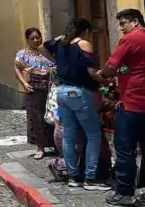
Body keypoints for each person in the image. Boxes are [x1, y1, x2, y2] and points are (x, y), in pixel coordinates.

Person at [43, 18, 106, 190]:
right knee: (93, 134)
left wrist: (57, 60)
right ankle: (90, 178)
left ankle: (73, 176)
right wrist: (105, 79)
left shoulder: (62, 43)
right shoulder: (83, 44)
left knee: (68, 135)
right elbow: (92, 72)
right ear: (85, 31)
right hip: (79, 92)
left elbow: (43, 46)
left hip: (62, 91)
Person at [98, 9, 145, 206]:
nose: (121, 28)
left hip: (131, 101)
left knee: (125, 148)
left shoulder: (130, 39)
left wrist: (101, 74)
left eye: (124, 23)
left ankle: (124, 191)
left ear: (135, 22)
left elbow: (111, 67)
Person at [14, 27, 55, 159]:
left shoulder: (47, 52)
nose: (36, 40)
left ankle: (55, 144)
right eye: (33, 38)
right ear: (27, 40)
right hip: (34, 88)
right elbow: (17, 69)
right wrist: (24, 83)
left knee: (53, 116)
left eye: (38, 37)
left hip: (50, 86)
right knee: (37, 117)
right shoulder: (22, 54)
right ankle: (40, 147)